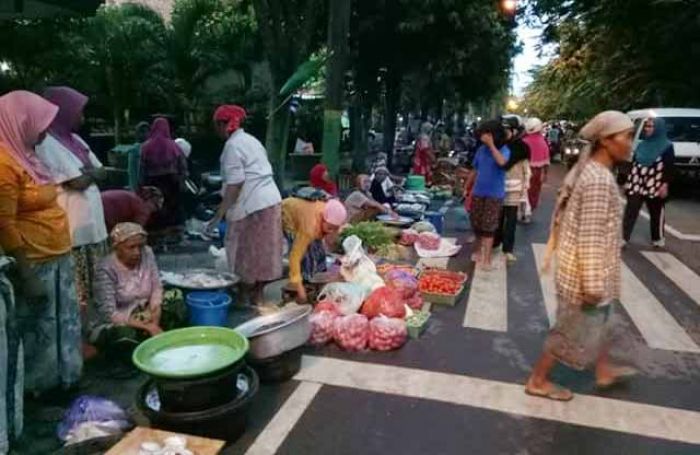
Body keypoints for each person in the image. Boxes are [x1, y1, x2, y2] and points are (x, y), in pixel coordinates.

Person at [526, 111, 636, 401]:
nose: (631, 144)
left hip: (587, 271)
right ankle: (537, 380)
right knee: (568, 332)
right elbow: (590, 238)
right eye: (627, 137)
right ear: (606, 141)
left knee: (601, 323)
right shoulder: (598, 180)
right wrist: (592, 285)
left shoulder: (595, 172)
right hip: (583, 276)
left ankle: (603, 370)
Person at [0, 91, 81, 396]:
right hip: (33, 261)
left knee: (62, 324)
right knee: (38, 330)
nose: (45, 132)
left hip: (57, 255)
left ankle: (64, 382)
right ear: (20, 121)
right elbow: (4, 223)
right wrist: (27, 274)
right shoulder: (3, 164)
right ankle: (39, 393)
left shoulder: (28, 157)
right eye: (40, 124)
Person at [37, 86, 108, 308]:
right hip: (74, 230)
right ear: (63, 111)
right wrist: (90, 173)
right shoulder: (46, 143)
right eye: (79, 111)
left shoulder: (76, 140)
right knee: (79, 295)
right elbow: (78, 181)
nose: (82, 117)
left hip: (94, 229)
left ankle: (96, 330)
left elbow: (103, 171)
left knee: (99, 287)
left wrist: (89, 173)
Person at [208, 105, 284, 305]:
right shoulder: (251, 141)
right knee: (264, 252)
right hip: (270, 201)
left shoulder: (233, 146)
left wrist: (219, 215)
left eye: (216, 125)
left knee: (244, 252)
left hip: (253, 206)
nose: (214, 129)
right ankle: (257, 296)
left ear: (222, 125)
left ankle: (243, 297)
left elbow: (236, 184)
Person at [89, 223, 163, 360]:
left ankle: (149, 338)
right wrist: (148, 327)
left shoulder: (147, 253)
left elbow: (156, 286)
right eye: (131, 247)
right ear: (117, 248)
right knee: (125, 334)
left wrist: (155, 312)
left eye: (140, 246)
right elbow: (109, 313)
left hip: (143, 311)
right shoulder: (105, 268)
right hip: (118, 319)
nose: (137, 252)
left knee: (175, 298)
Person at [464, 120, 510, 269]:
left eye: (486, 134)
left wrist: (491, 146)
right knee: (477, 224)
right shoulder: (480, 150)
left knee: (489, 227)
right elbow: (475, 170)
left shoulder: (504, 150)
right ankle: (477, 251)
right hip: (478, 192)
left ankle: (487, 259)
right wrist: (467, 186)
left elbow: (502, 163)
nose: (483, 137)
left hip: (494, 195)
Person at [622, 117, 675, 247]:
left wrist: (665, 184)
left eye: (650, 126)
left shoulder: (667, 146)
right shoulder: (641, 145)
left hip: (655, 184)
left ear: (658, 129)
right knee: (630, 210)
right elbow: (633, 164)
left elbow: (669, 167)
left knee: (656, 213)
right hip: (637, 182)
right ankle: (623, 238)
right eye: (646, 126)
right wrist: (627, 181)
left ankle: (657, 238)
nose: (647, 129)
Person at [282, 198, 347, 303]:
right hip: (288, 216)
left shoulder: (327, 212)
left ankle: (317, 284)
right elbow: (294, 258)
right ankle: (302, 287)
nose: (332, 231)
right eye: (331, 228)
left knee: (318, 253)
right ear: (323, 218)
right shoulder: (309, 227)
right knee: (305, 257)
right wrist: (300, 290)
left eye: (335, 228)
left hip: (306, 216)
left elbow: (329, 235)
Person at [139, 117, 188, 234]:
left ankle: (156, 232)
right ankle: (171, 232)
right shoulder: (173, 146)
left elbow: (141, 166)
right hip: (171, 181)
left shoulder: (145, 146)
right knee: (171, 205)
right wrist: (183, 179)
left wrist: (141, 183)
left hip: (152, 180)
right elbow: (182, 165)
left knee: (155, 206)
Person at [495, 118, 531, 264]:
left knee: (511, 220)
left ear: (514, 131)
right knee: (497, 218)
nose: (504, 133)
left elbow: (526, 170)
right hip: (497, 187)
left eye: (507, 130)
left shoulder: (522, 148)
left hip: (515, 189)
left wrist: (525, 189)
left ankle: (508, 249)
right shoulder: (497, 145)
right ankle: (495, 242)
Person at [522, 118, 550, 218]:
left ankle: (524, 210)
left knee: (523, 190)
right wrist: (545, 174)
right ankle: (529, 210)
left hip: (523, 170)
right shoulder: (543, 142)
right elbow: (546, 161)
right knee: (534, 191)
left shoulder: (523, 141)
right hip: (536, 171)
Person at [126, 121, 150, 191]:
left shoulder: (150, 147)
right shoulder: (135, 149)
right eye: (141, 131)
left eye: (146, 131)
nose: (145, 134)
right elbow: (132, 171)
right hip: (136, 185)